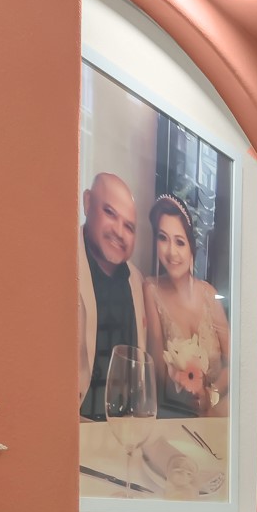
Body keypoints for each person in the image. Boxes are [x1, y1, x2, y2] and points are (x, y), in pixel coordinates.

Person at [77, 172, 157, 420]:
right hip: (73, 428)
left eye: (129, 227)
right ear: (87, 203)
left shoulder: (138, 282)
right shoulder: (58, 262)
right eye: (110, 213)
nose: (120, 232)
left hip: (126, 428)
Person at [143, 195, 231, 418]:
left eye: (180, 242)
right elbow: (157, 372)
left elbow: (235, 361)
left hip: (219, 412)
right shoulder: (151, 290)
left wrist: (211, 394)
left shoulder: (209, 294)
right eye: (163, 238)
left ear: (191, 247)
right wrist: (187, 393)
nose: (171, 252)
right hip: (176, 415)